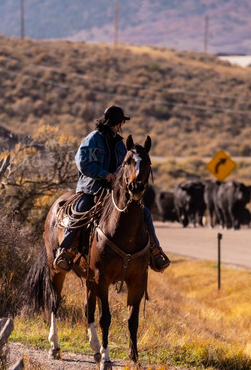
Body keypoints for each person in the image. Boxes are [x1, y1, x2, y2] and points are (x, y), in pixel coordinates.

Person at [53, 105, 170, 272]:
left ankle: (155, 251)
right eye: (121, 121)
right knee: (80, 211)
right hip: (91, 188)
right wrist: (104, 174)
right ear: (117, 122)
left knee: (144, 213)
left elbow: (125, 167)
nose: (122, 125)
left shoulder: (120, 145)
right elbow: (83, 163)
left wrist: (118, 176)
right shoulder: (93, 139)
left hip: (114, 191)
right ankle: (64, 251)